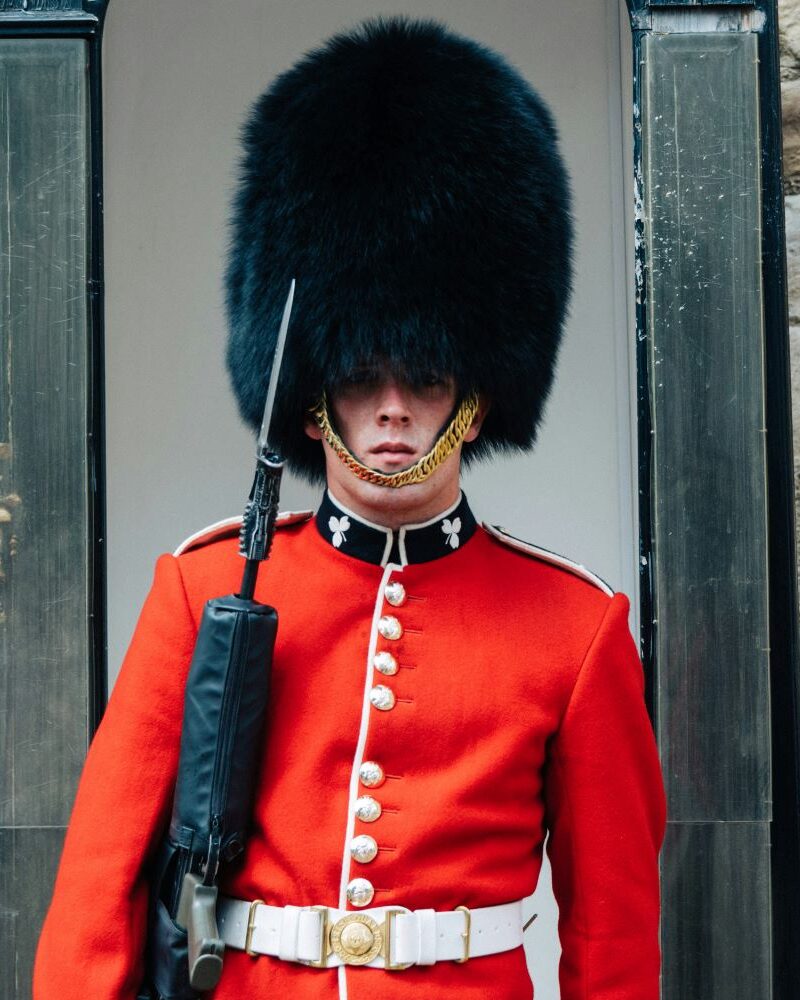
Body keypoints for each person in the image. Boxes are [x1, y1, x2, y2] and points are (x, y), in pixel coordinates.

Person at [34, 17, 665, 1000]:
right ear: (312, 389)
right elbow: (94, 896)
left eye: (420, 374)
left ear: (477, 389)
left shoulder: (573, 632)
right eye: (359, 372)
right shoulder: (203, 588)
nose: (388, 407)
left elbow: (612, 940)